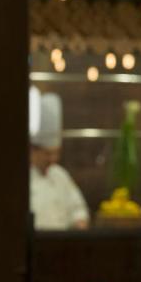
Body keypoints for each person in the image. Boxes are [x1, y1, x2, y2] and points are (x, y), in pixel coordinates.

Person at [29, 91, 89, 230]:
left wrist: (80, 222)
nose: (53, 159)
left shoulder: (60, 175)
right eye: (48, 154)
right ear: (33, 150)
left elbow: (78, 209)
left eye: (56, 153)